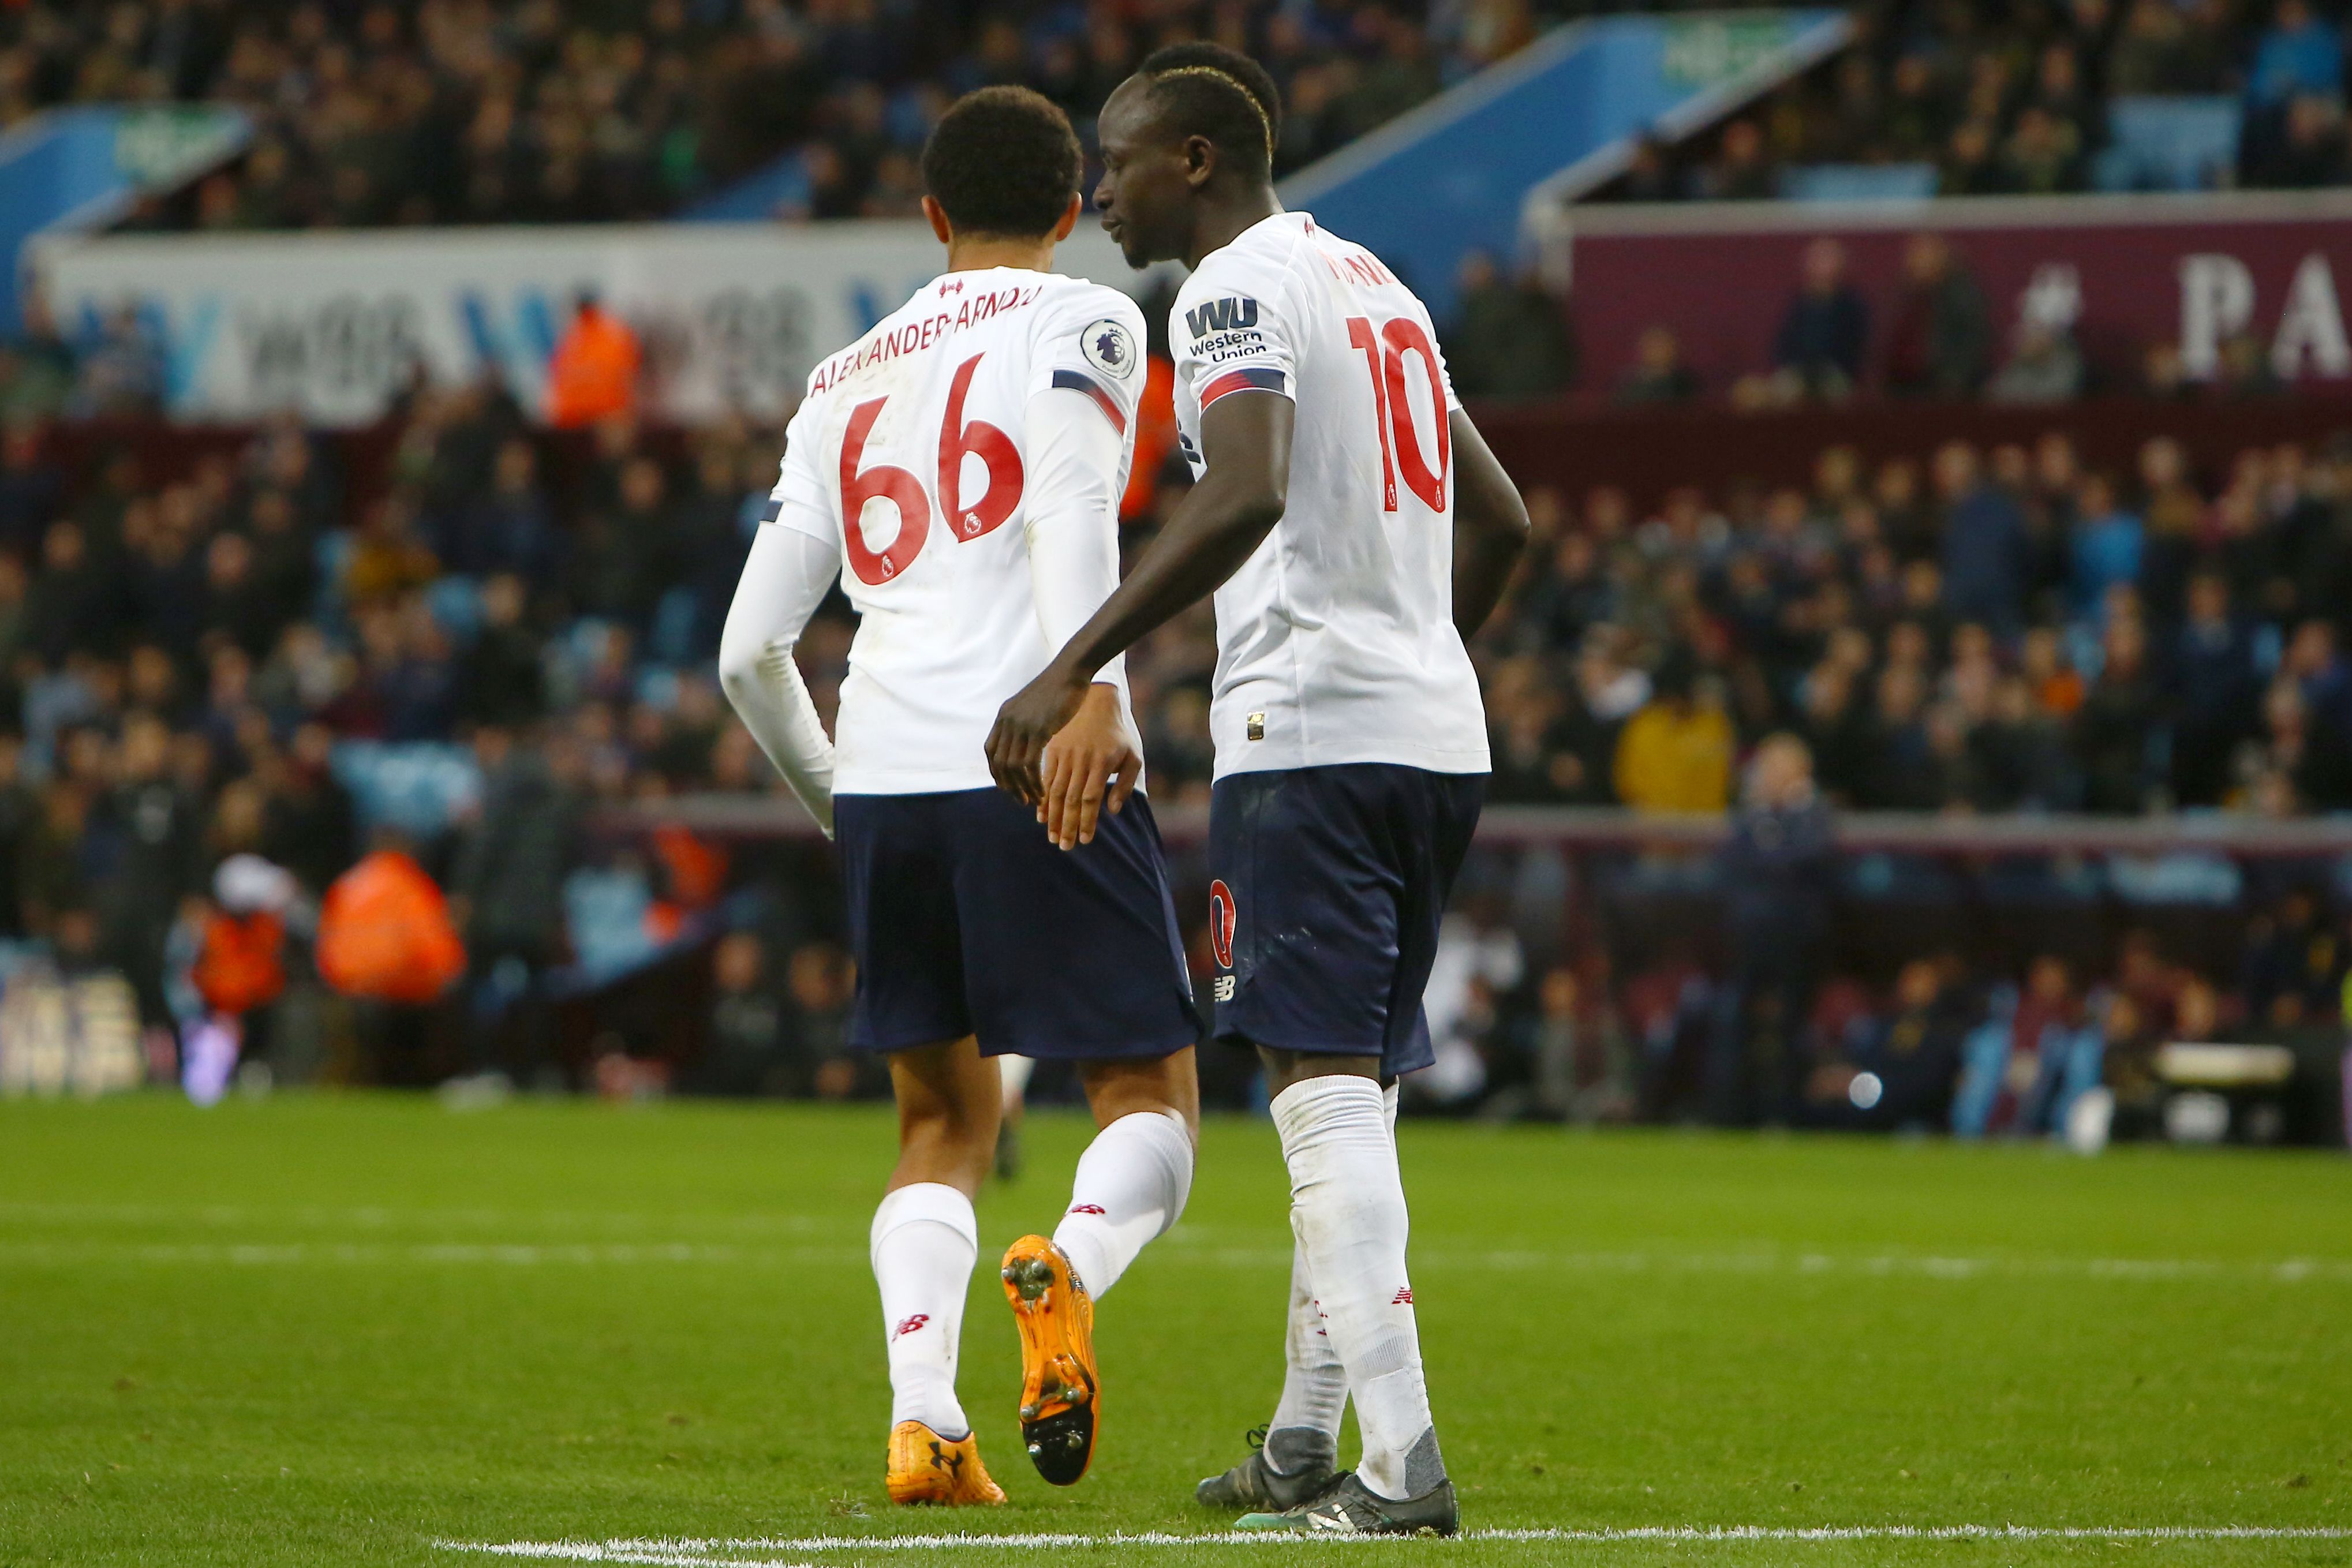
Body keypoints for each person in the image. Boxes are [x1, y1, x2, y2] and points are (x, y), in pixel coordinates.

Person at [984, 42, 1530, 1536]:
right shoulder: (1379, 287)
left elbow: (1245, 488)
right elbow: (1505, 518)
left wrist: (1071, 667)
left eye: (1123, 156)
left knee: (1316, 1096)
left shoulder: (1230, 291)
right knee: (1344, 1088)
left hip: (1314, 742)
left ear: (1200, 161)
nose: (1100, 187)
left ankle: (1403, 1464)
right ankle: (1303, 1439)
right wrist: (1414, 656)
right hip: (1428, 736)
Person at [716, 87, 1202, 1508]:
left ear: (930, 216)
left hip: (884, 779)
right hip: (1032, 752)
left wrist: (838, 800)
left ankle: (923, 1420)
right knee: (1147, 1094)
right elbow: (1065, 502)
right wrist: (1090, 689)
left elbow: (748, 650)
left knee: (940, 1124)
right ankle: (1073, 1264)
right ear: (1071, 208)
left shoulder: (839, 378)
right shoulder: (1087, 320)